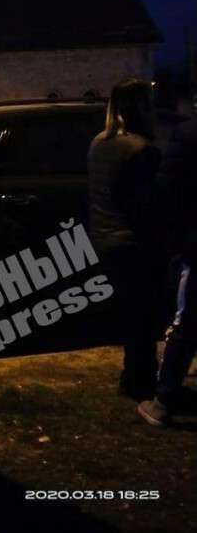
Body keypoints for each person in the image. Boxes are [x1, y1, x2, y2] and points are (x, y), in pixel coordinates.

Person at [87, 78, 164, 400]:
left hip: (104, 239)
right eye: (149, 103)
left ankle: (134, 378)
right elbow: (145, 206)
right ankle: (139, 381)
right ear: (140, 108)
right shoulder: (141, 150)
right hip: (132, 242)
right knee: (144, 317)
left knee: (132, 314)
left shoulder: (98, 143)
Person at [138, 102, 197, 425]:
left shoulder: (187, 135)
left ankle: (165, 399)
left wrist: (175, 239)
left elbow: (167, 191)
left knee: (187, 322)